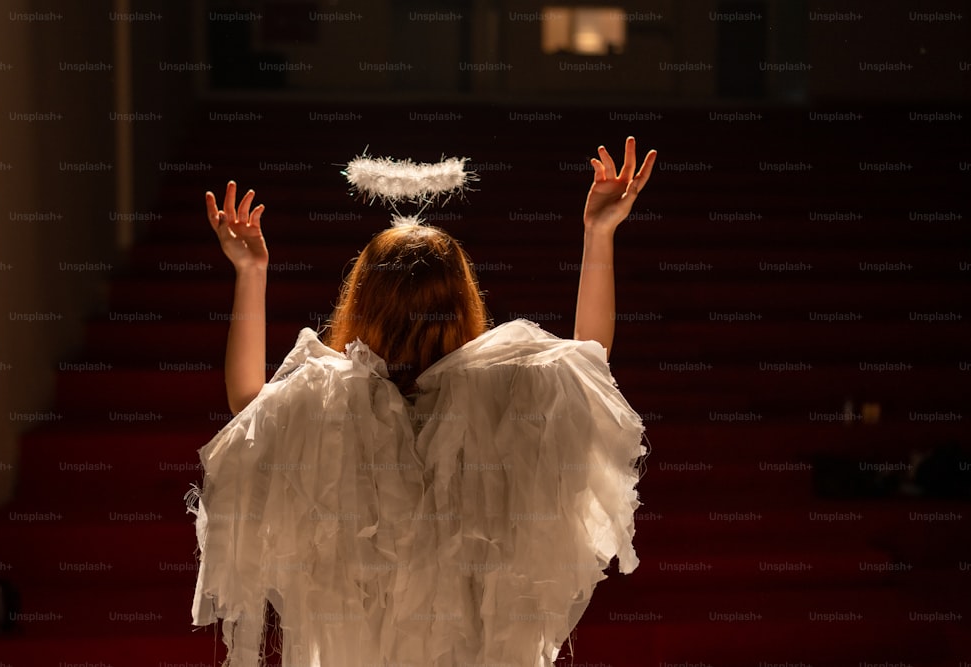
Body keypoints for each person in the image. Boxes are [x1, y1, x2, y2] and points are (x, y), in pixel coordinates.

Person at [190, 138, 656, 667]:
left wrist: (250, 273)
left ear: (362, 302)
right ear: (464, 301)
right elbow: (589, 362)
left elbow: (248, 406)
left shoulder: (329, 404)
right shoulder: (507, 395)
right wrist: (599, 234)